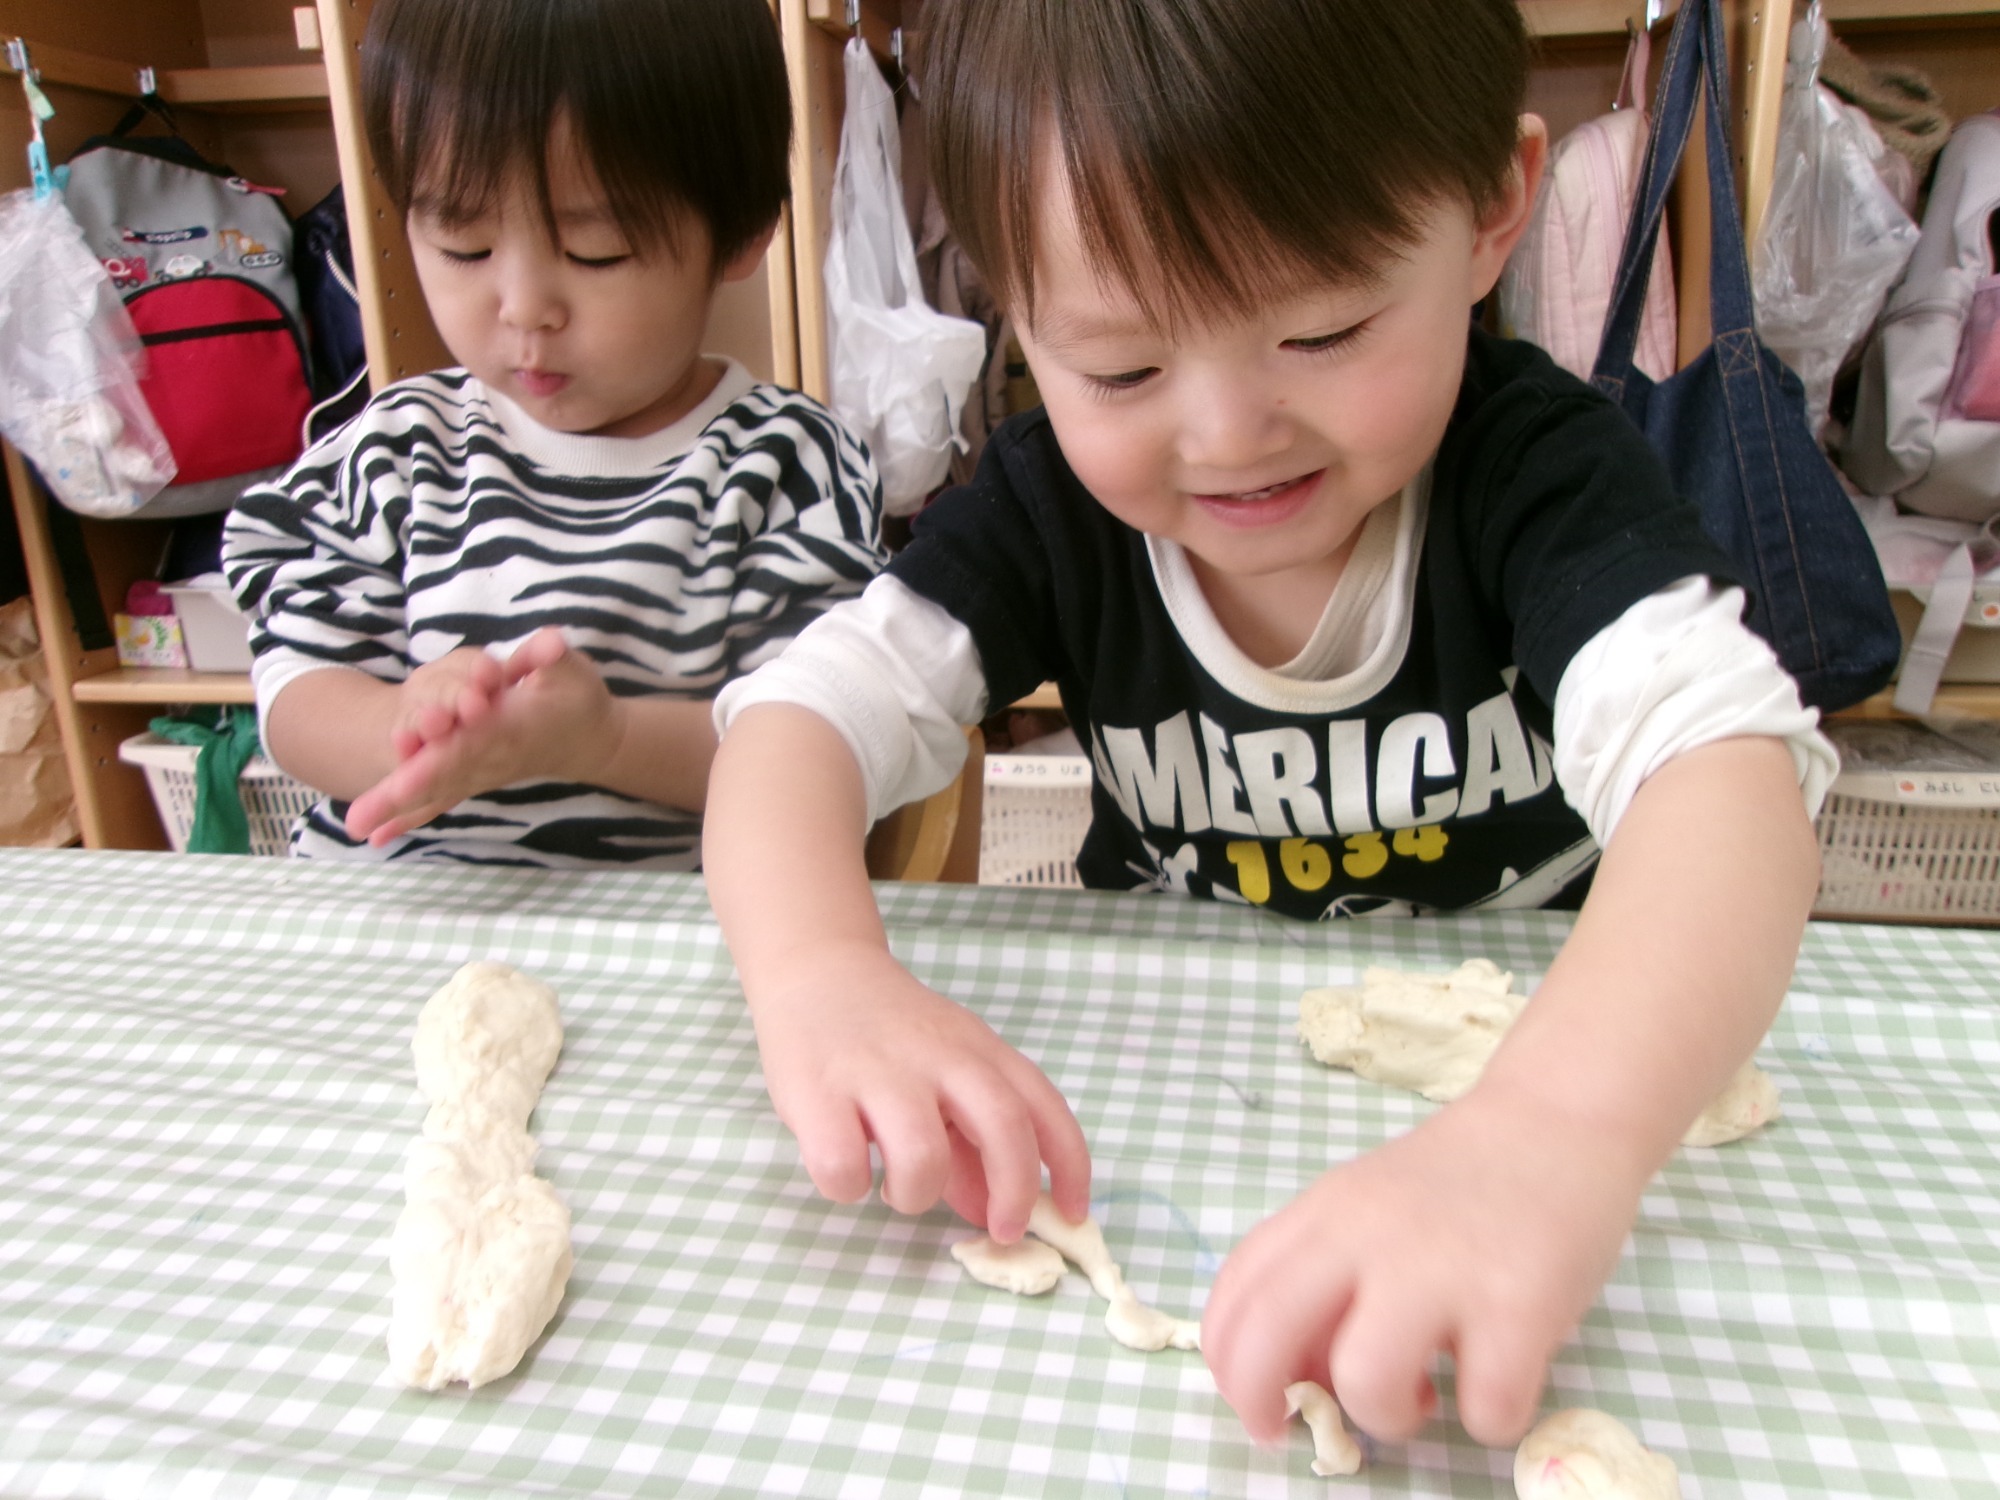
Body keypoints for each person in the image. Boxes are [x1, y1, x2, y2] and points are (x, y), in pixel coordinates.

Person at [702, 0, 1835, 1457]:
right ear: (1013, 304)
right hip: (1189, 1096)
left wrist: (1554, 1134)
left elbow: (1731, 784)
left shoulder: (1537, 478)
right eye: (1120, 368)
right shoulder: (1050, 510)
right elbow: (794, 721)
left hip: (1528, 1058)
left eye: (1321, 329)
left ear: (1495, 207)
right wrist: (820, 974)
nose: (1230, 430)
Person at [222, 0, 885, 866]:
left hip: (664, 946)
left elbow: (817, 747)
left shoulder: (785, 468)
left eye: (596, 252)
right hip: (388, 930)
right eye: (463, 245)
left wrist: (601, 740)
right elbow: (291, 695)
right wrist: (401, 726)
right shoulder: (392, 453)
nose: (524, 307)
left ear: (743, 233)